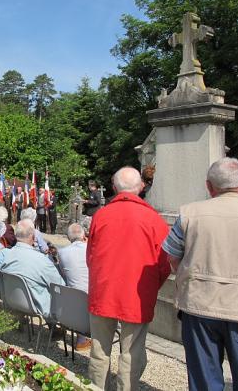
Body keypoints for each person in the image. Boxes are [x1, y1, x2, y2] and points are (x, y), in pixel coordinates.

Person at [162, 157, 238, 391]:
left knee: (204, 378)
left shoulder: (190, 213)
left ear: (209, 186)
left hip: (199, 303)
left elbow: (173, 257)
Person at [86, 167, 170, 390]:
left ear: (114, 188)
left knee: (99, 350)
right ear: (141, 187)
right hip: (138, 294)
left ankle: (97, 387)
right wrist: (152, 287)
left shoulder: (101, 215)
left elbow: (91, 256)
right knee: (131, 353)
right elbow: (164, 264)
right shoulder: (153, 219)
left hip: (104, 290)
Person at [0, 219, 64, 318]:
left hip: (13, 300)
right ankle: (55, 330)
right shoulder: (42, 260)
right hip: (37, 305)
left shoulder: (5, 255)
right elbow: (60, 286)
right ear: (33, 237)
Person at [58, 223, 90, 350]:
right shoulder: (91, 249)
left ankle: (80, 337)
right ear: (84, 236)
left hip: (72, 300)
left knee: (72, 283)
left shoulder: (62, 252)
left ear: (69, 238)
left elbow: (63, 273)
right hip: (91, 298)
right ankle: (81, 340)